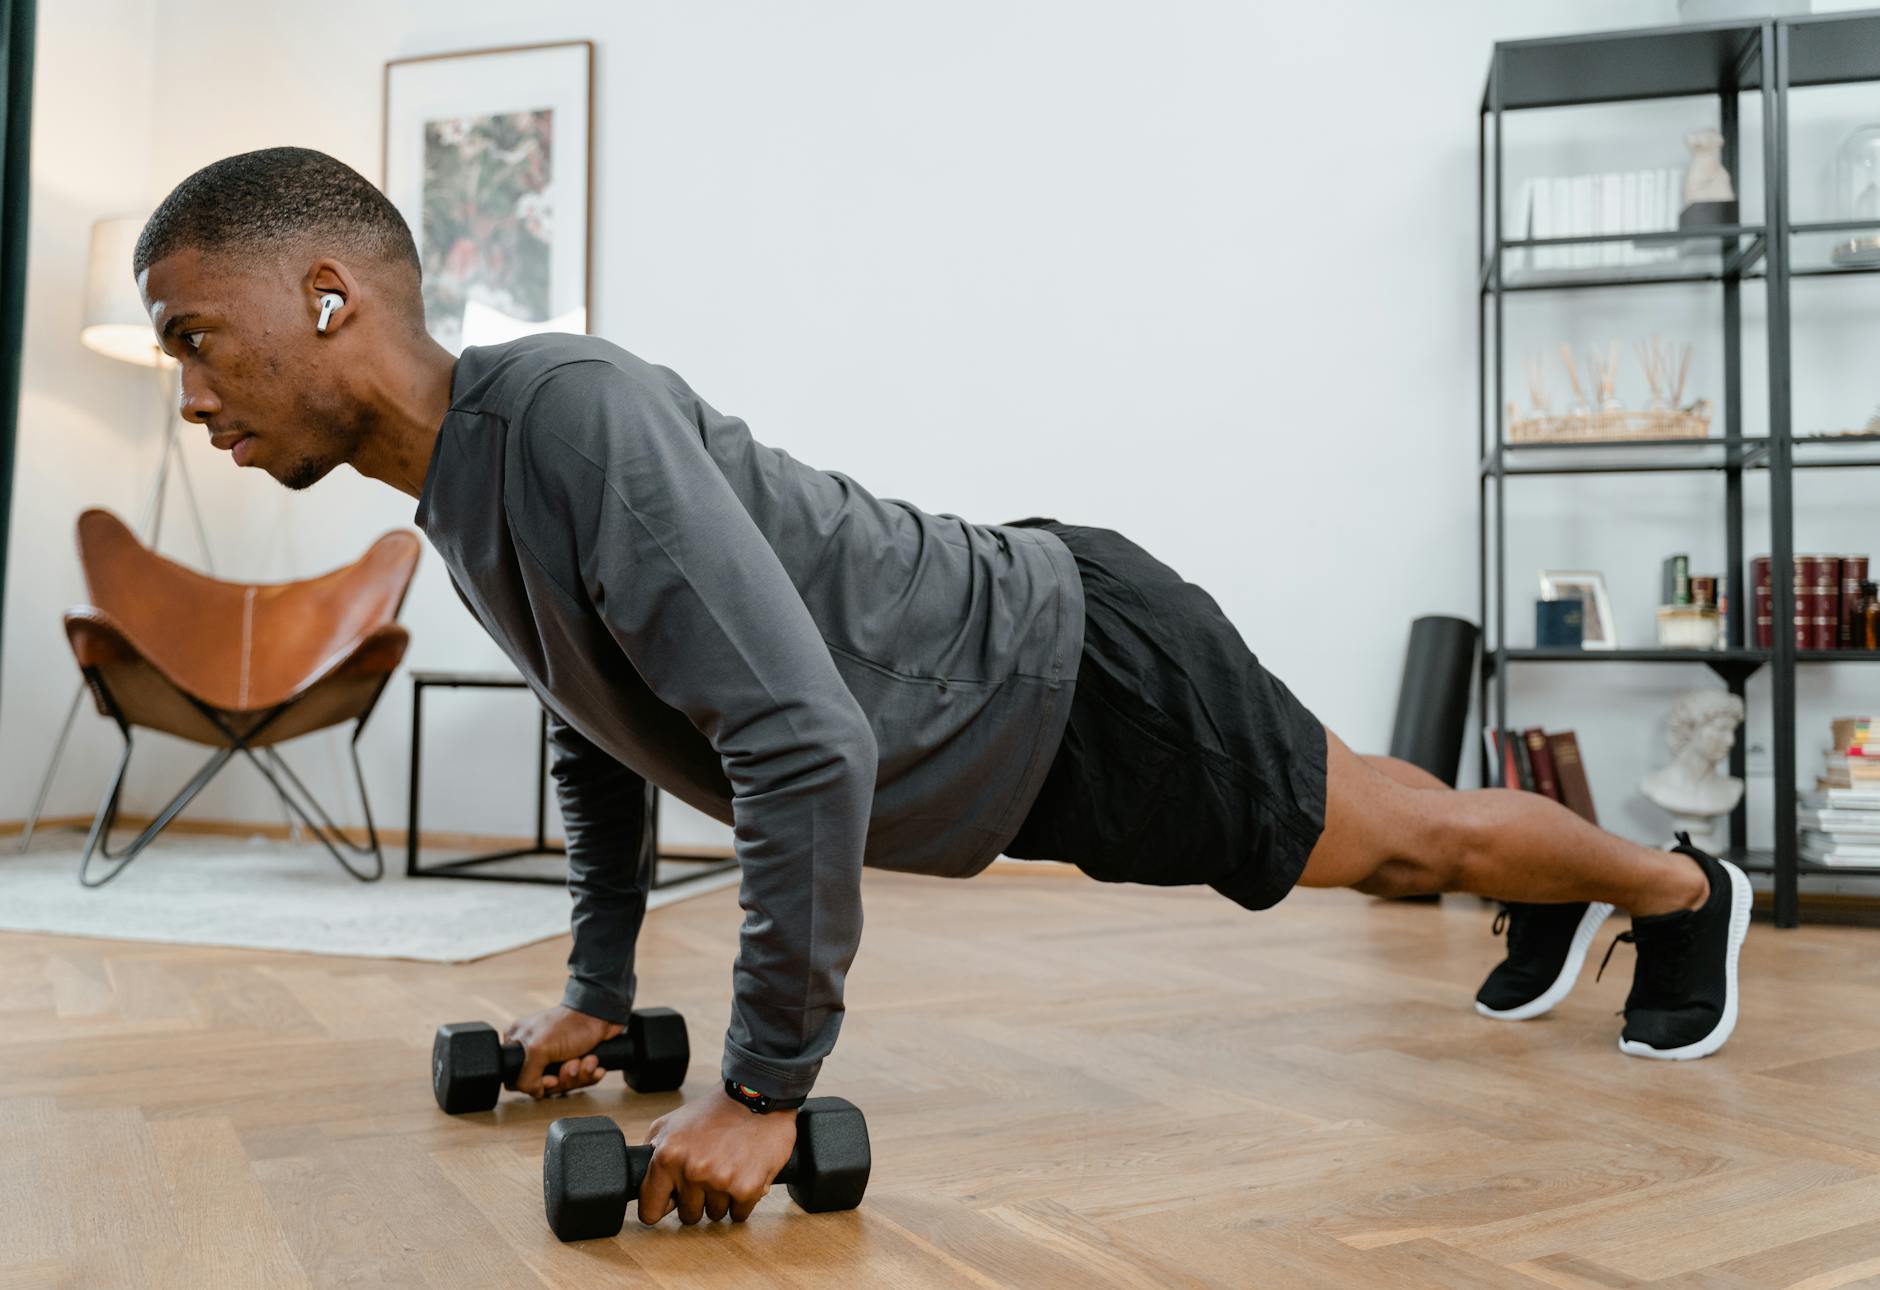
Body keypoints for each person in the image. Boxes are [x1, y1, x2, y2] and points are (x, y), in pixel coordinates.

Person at [131, 147, 1750, 1227]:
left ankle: (1683, 890)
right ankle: (1575, 903)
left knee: (1404, 847)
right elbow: (603, 739)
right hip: (1027, 683)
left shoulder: (561, 412)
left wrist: (766, 1086)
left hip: (1073, 671)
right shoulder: (469, 489)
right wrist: (602, 989)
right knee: (1405, 831)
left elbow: (801, 738)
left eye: (197, 337)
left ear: (330, 295)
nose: (192, 394)